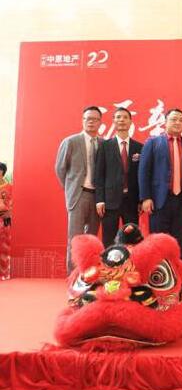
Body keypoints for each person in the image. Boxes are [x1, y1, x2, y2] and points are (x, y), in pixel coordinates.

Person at [138, 108, 182, 294]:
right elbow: (144, 172)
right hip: (159, 201)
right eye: (174, 119)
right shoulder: (153, 143)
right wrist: (145, 197)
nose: (177, 122)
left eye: (181, 119)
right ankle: (157, 280)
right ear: (165, 122)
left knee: (179, 244)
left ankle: (178, 281)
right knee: (158, 243)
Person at [55, 106, 103, 274]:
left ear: (100, 122)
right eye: (88, 118)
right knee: (75, 239)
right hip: (78, 195)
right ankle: (73, 275)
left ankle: (88, 274)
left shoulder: (104, 144)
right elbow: (60, 169)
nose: (91, 122)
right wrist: (70, 189)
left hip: (97, 197)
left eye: (95, 119)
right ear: (82, 120)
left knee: (92, 238)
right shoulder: (71, 141)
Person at [94, 107, 143, 247]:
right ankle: (109, 261)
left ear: (130, 122)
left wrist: (141, 199)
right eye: (118, 117)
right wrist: (99, 200)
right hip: (110, 201)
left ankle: (131, 262)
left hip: (131, 201)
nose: (122, 120)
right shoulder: (105, 146)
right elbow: (99, 175)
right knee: (109, 240)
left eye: (125, 117)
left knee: (132, 241)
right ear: (114, 121)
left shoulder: (139, 147)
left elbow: (141, 176)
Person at [0, 162, 12, 280]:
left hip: (4, 219)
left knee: (4, 246)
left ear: (2, 172)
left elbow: (10, 204)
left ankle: (3, 273)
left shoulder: (9, 187)